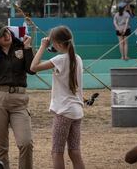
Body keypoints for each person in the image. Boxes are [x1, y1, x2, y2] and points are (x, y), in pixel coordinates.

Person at [0, 20, 35, 169]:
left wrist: (28, 49)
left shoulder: (21, 45)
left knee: (26, 143)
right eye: (0, 35)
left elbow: (32, 70)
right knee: (0, 148)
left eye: (6, 31)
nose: (6, 35)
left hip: (19, 101)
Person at [30, 25, 85, 169]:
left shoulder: (60, 59)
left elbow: (33, 67)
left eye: (53, 43)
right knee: (74, 151)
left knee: (57, 152)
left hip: (64, 111)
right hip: (77, 111)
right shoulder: (77, 58)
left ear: (59, 44)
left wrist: (42, 46)